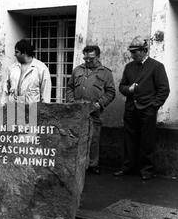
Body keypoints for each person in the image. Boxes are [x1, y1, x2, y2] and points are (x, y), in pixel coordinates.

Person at [114, 36, 170, 181]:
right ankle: (127, 167)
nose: (132, 55)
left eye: (135, 52)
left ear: (144, 50)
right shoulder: (129, 67)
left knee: (147, 141)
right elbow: (122, 87)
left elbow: (164, 89)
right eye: (131, 52)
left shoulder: (157, 66)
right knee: (129, 139)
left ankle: (147, 170)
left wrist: (154, 106)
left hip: (147, 110)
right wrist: (129, 90)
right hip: (131, 109)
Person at [66, 45, 116, 175]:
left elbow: (110, 92)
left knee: (93, 139)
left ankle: (93, 165)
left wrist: (100, 104)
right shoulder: (77, 70)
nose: (88, 61)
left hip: (94, 111)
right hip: (77, 111)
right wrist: (71, 102)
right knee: (76, 138)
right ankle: (77, 163)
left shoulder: (105, 73)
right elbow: (70, 87)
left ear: (98, 57)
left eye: (91, 59)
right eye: (86, 58)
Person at [4, 39, 51, 104]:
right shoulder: (12, 68)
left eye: (17, 52)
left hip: (32, 110)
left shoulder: (41, 68)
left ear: (24, 52)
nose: (15, 54)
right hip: (12, 109)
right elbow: (5, 90)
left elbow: (46, 94)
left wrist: (43, 111)